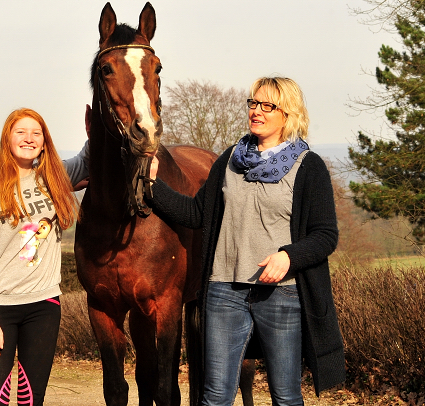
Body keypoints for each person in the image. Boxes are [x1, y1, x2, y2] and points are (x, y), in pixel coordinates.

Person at [148, 77, 345, 406]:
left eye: (267, 105)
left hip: (282, 295)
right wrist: (153, 185)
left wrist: (288, 257)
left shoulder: (308, 167)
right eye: (253, 103)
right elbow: (197, 213)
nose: (256, 111)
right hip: (224, 292)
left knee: (285, 396)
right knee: (215, 396)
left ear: (288, 113)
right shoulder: (229, 161)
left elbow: (325, 235)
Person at [0, 108, 88, 406]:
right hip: (0, 309)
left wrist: (98, 118)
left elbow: (89, 159)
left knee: (33, 399)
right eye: (20, 132)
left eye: (37, 133)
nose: (29, 139)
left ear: (45, 142)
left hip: (44, 305)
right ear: (7, 138)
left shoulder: (54, 179)